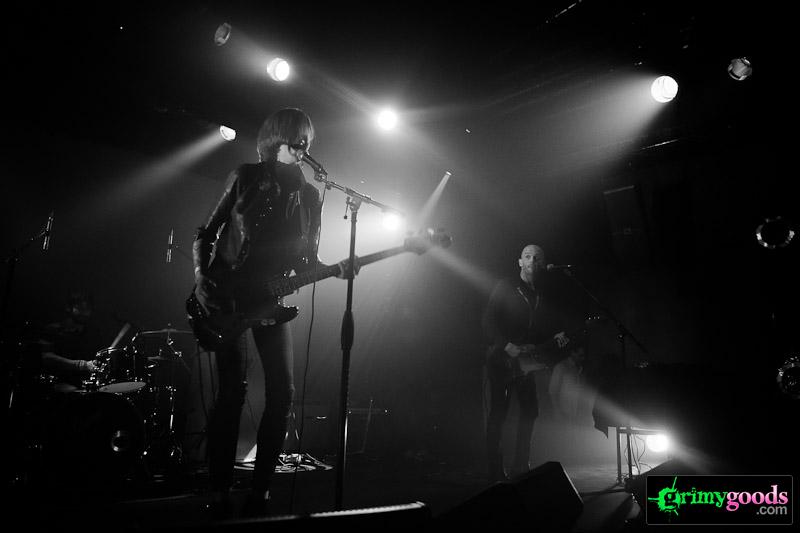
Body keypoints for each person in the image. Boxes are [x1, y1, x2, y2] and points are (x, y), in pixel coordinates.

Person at [192, 107, 353, 518]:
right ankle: (219, 487)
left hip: (270, 299)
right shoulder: (245, 176)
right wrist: (203, 280)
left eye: (307, 139)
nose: (304, 145)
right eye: (297, 136)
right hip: (228, 297)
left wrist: (336, 269)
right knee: (232, 393)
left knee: (283, 394)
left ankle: (260, 490)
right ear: (277, 138)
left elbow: (306, 262)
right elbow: (206, 234)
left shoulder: (311, 195)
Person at [482, 244, 570, 482]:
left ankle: (521, 465)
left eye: (537, 258)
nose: (532, 261)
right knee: (499, 413)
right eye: (528, 256)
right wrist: (504, 344)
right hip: (501, 359)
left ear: (543, 263)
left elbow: (536, 330)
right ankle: (495, 470)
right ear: (520, 262)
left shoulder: (540, 293)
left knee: (530, 410)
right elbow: (488, 320)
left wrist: (553, 337)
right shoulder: (506, 286)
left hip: (525, 361)